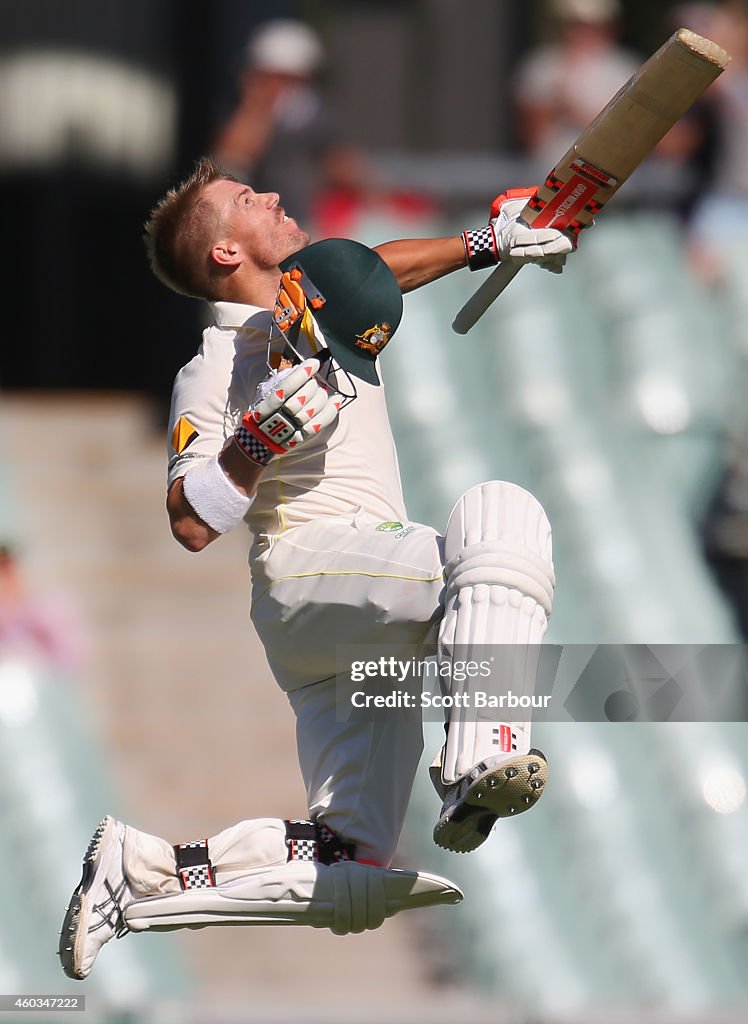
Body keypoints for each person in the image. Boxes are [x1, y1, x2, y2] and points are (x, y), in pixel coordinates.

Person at [58, 159, 575, 981]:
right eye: (245, 200)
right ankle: (479, 757)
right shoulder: (220, 361)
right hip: (315, 572)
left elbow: (383, 266)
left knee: (351, 863)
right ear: (227, 253)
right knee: (499, 519)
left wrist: (490, 241)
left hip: (350, 621)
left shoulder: (317, 296)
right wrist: (255, 442)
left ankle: (144, 874)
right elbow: (190, 519)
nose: (269, 194)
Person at [211, 18, 375, 234]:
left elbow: (341, 164)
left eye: (296, 80)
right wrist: (258, 108)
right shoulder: (245, 113)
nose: (288, 89)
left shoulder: (314, 116)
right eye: (278, 79)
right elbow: (230, 160)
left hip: (304, 224)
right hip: (257, 228)